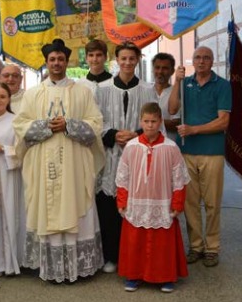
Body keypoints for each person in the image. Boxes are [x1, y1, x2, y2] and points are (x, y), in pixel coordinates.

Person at [13, 38, 105, 283]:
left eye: (61, 59)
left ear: (67, 62)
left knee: (75, 203)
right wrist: (46, 126)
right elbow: (20, 126)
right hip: (43, 163)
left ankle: (77, 266)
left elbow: (96, 124)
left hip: (74, 164)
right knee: (48, 205)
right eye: (52, 59)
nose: (56, 63)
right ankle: (53, 268)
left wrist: (69, 125)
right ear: (46, 62)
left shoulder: (82, 92)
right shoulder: (33, 94)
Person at [96, 41, 159, 273]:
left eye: (132, 59)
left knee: (135, 207)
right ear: (116, 60)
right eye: (123, 58)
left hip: (139, 154)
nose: (127, 63)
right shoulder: (102, 89)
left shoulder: (147, 89)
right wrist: (113, 134)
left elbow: (154, 119)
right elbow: (96, 120)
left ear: (137, 60)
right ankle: (111, 256)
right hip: (111, 154)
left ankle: (135, 256)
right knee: (110, 207)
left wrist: (137, 134)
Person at [168, 46, 231, 267]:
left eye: (206, 57)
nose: (201, 61)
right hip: (186, 151)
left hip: (212, 152)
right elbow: (172, 109)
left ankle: (212, 247)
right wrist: (176, 81)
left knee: (212, 202)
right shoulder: (185, 84)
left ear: (212, 61)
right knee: (190, 203)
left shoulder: (222, 85)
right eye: (198, 58)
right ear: (192, 61)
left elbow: (224, 121)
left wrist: (194, 129)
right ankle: (196, 246)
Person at [117, 103, 190, 293]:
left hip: (162, 203)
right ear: (141, 121)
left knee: (162, 243)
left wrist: (177, 203)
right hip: (137, 203)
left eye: (154, 121)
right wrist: (122, 201)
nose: (149, 125)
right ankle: (133, 275)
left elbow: (179, 179)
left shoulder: (171, 147)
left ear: (160, 122)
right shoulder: (131, 147)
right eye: (146, 121)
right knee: (135, 241)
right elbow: (122, 177)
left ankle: (165, 277)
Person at [0, 83, 26, 277]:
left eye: (2, 96)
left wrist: (5, 149)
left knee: (11, 211)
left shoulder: (16, 120)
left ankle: (12, 261)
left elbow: (22, 149)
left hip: (10, 171)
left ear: (9, 99)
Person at [151, 53, 180, 141]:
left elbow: (177, 124)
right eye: (157, 67)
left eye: (165, 68)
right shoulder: (146, 90)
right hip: (148, 146)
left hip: (169, 145)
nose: (160, 71)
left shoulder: (177, 92)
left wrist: (150, 121)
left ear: (172, 71)